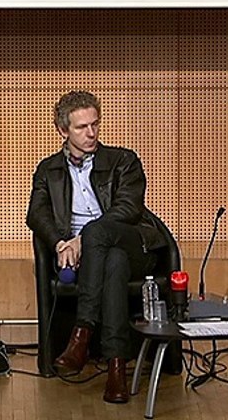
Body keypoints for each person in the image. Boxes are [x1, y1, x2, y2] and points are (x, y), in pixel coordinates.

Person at [26, 91, 167, 404]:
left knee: (103, 239)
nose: (91, 133)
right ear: (63, 130)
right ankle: (116, 369)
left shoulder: (122, 160)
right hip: (94, 257)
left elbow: (128, 209)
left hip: (132, 243)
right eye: (81, 127)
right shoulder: (48, 170)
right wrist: (61, 242)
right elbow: (35, 213)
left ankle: (82, 332)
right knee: (112, 263)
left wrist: (83, 238)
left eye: (95, 124)